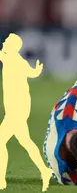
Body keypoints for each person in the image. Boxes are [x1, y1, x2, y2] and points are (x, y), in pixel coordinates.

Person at [0, 33, 53, 192]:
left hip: (15, 111)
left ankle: (1, 180)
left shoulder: (12, 59)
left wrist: (36, 71)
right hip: (18, 109)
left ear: (13, 46)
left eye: (7, 41)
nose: (4, 42)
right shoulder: (20, 61)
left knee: (2, 142)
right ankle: (44, 170)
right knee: (26, 142)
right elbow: (33, 73)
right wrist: (37, 70)